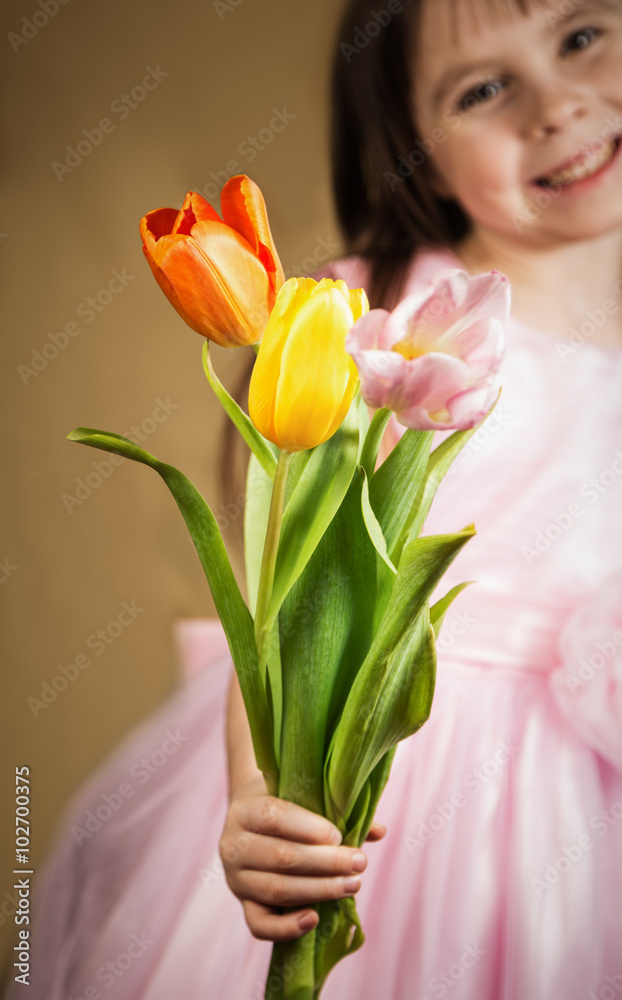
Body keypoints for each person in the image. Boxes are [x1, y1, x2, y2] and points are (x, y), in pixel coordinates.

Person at [6, 0, 622, 997]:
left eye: (582, 37)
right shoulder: (373, 315)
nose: (553, 107)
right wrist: (257, 796)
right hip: (402, 785)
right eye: (481, 88)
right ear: (412, 144)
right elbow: (283, 607)